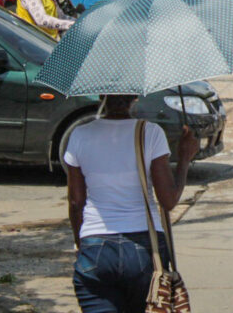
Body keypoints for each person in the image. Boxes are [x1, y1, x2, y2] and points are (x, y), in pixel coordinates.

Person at [64, 95, 199, 312]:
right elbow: (168, 200)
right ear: (135, 97)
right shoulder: (151, 132)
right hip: (144, 248)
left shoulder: (79, 134)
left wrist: (80, 244)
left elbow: (75, 202)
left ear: (101, 95)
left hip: (95, 244)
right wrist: (184, 159)